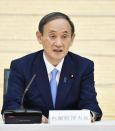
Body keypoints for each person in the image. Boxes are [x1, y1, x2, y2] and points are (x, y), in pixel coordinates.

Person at [2, 12, 102, 122]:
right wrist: (36, 118)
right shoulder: (21, 66)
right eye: (52, 36)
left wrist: (87, 115)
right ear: (39, 37)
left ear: (72, 38)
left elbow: (91, 106)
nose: (58, 43)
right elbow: (10, 108)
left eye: (64, 36)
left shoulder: (83, 66)